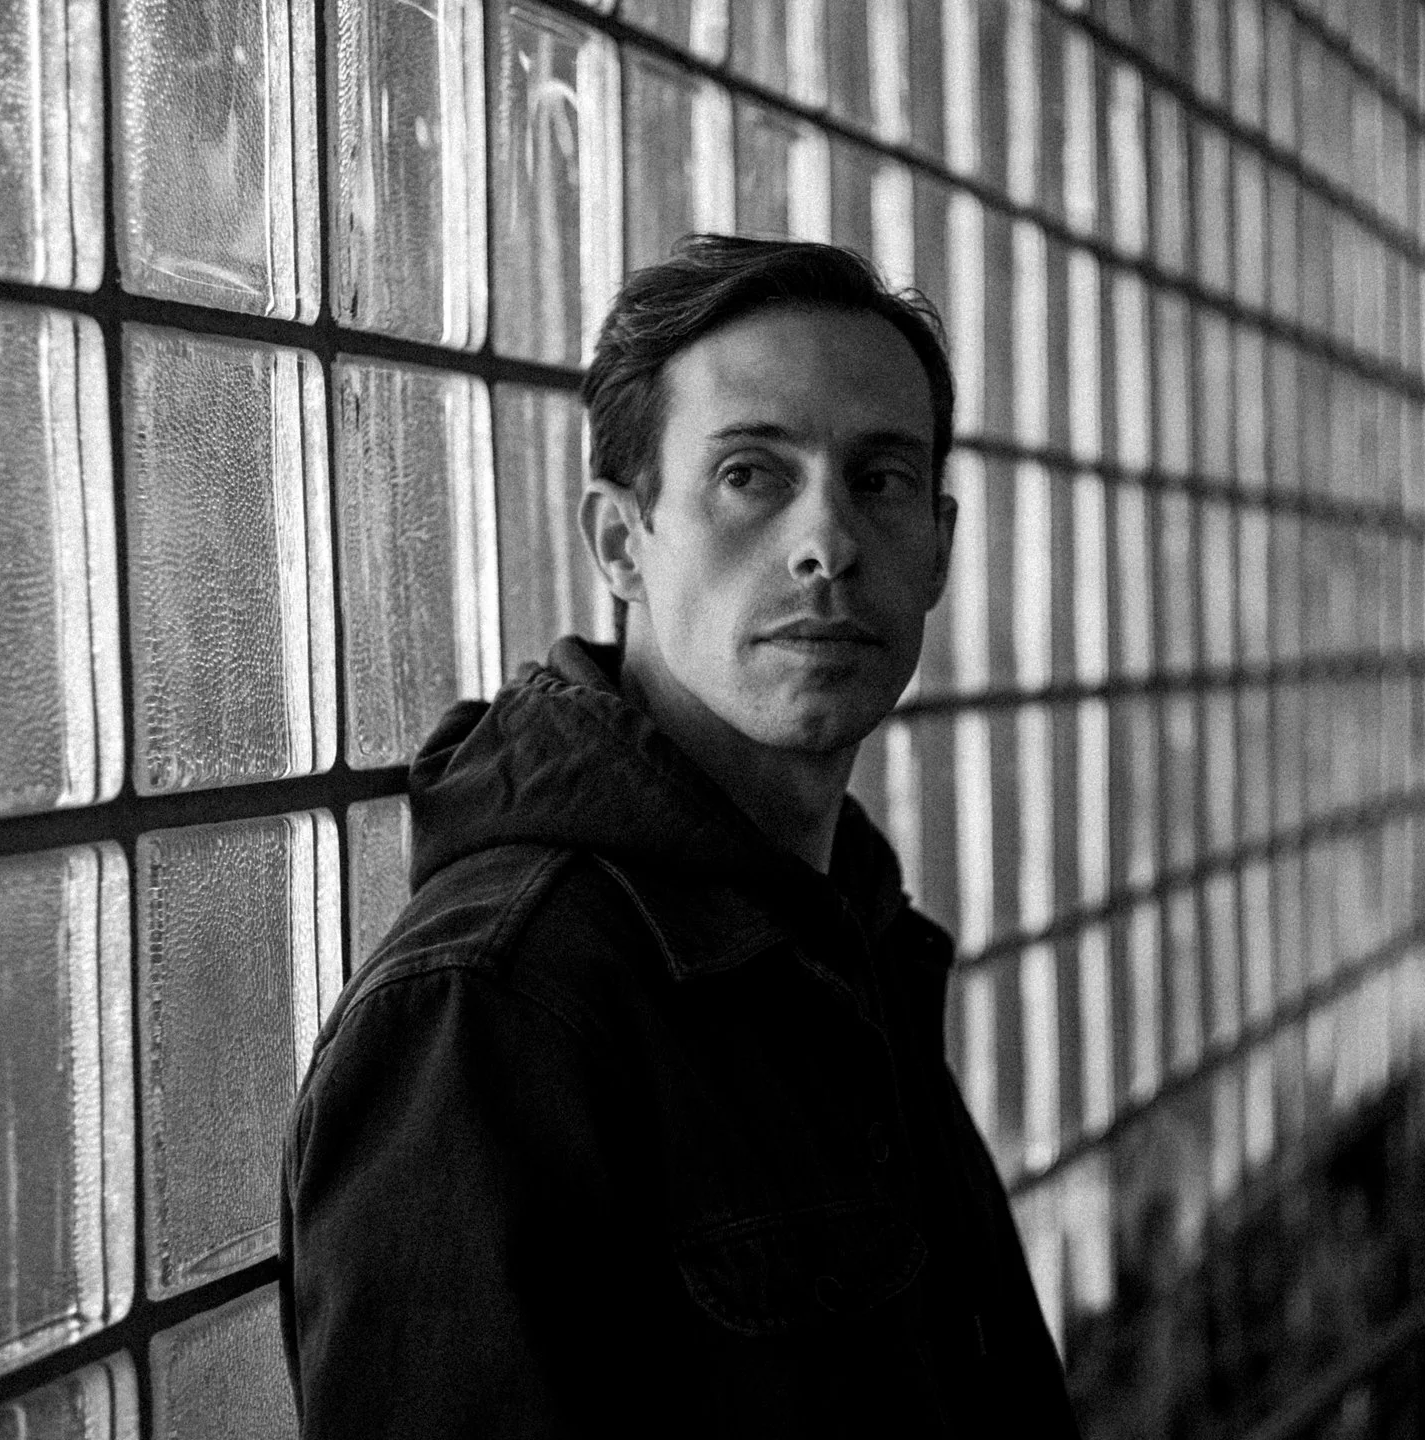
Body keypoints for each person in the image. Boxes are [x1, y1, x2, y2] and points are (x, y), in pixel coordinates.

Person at [281, 235, 1079, 1438]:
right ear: (620, 545)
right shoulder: (495, 1004)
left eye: (881, 479)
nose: (829, 545)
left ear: (940, 552)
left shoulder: (845, 923)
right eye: (752, 476)